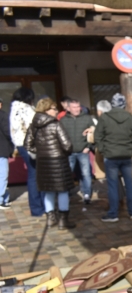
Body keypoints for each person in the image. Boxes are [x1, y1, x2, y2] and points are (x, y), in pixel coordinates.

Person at [23, 98, 75, 229]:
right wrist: (62, 153)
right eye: (54, 108)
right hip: (58, 162)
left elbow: (27, 144)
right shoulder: (55, 124)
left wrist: (40, 152)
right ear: (46, 109)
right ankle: (63, 221)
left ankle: (50, 219)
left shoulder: (33, 125)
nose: (56, 111)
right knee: (62, 191)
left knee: (48, 191)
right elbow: (67, 145)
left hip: (43, 163)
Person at [93, 94, 132, 222]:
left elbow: (98, 137)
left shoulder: (105, 118)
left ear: (112, 104)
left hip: (111, 156)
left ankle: (113, 214)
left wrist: (103, 150)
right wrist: (131, 149)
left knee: (113, 185)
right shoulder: (129, 117)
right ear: (124, 104)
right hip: (126, 155)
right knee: (129, 184)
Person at [10, 87, 45, 216]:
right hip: (30, 144)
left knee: (33, 175)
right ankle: (38, 207)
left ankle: (38, 207)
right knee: (36, 175)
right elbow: (35, 126)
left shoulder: (14, 108)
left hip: (20, 144)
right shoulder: (25, 109)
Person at [60, 98, 95, 205]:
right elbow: (60, 136)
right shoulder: (63, 120)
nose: (77, 109)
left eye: (78, 107)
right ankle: (66, 193)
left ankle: (87, 194)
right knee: (67, 173)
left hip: (83, 151)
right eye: (74, 107)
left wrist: (88, 147)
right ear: (68, 108)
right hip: (69, 152)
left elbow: (94, 133)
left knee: (86, 173)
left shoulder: (87, 118)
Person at [0, 98, 12, 209]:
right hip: (1, 149)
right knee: (2, 175)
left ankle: (4, 198)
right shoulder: (3, 115)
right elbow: (7, 131)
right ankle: (1, 199)